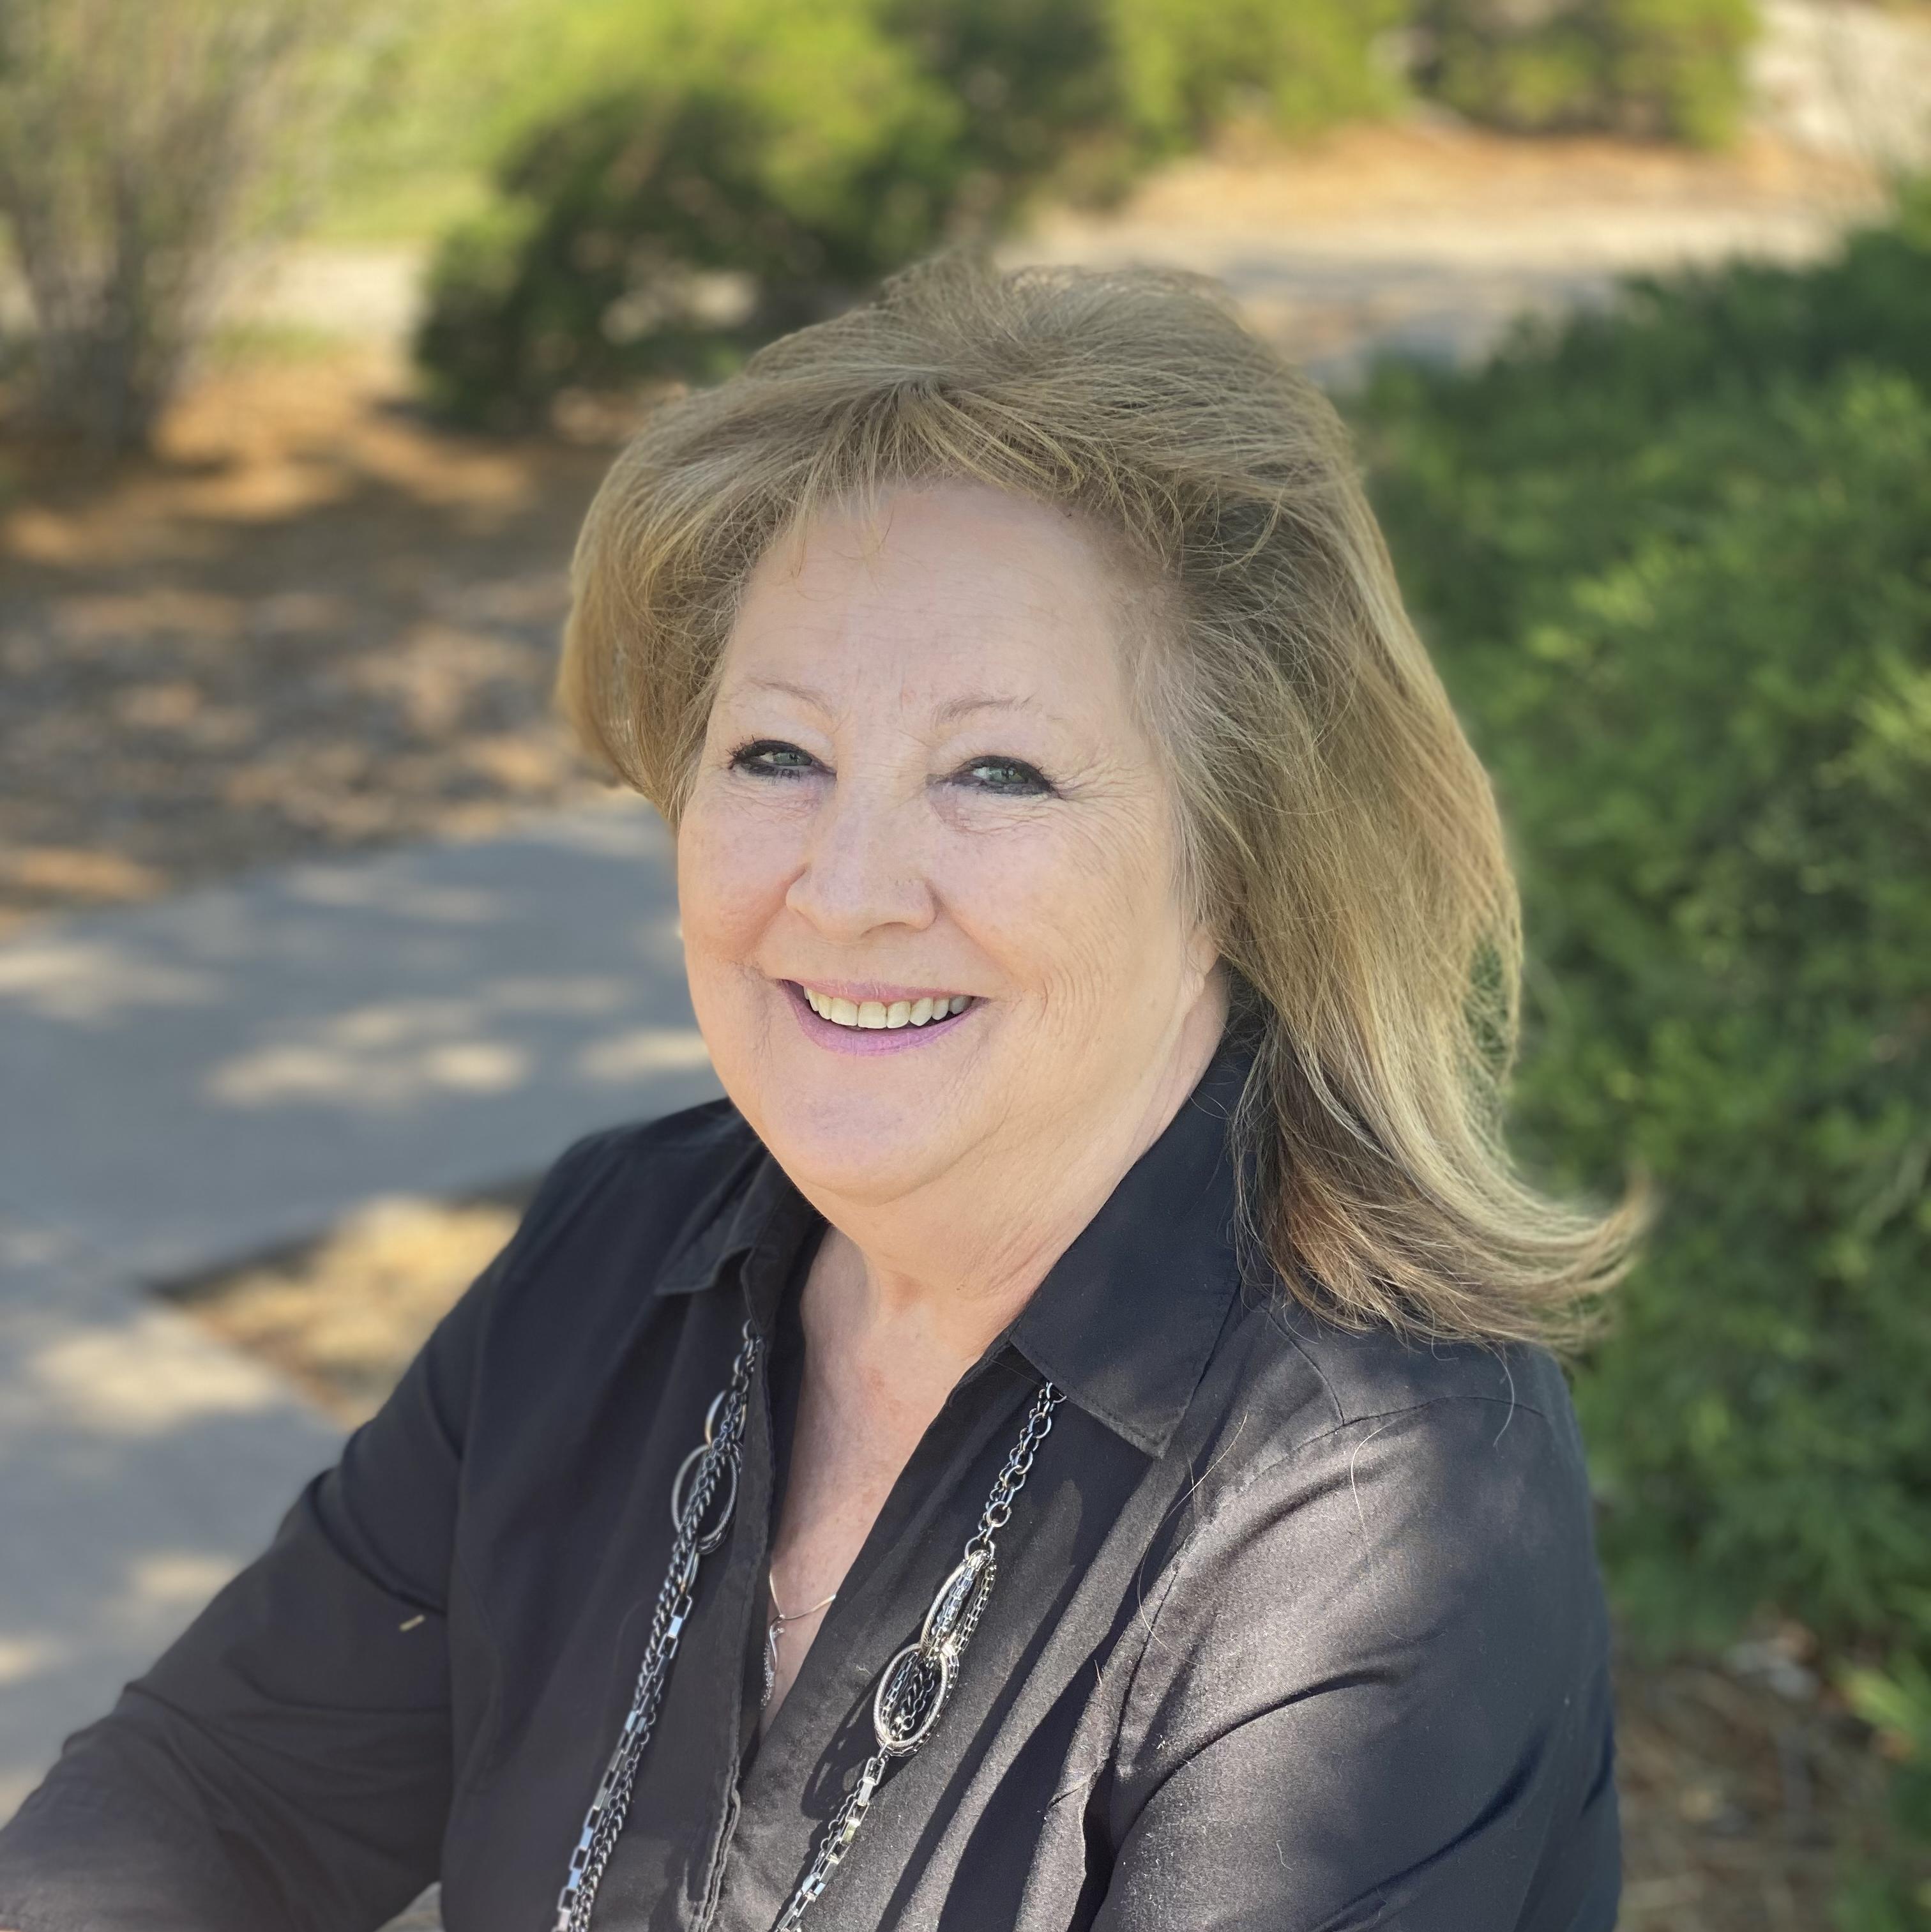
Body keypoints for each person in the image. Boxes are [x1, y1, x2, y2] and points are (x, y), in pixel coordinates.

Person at [0, 254, 1649, 1932]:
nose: (848, 887)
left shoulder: (1370, 1499)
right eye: (776, 754)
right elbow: (216, 1795)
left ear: (1237, 860)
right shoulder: (620, 1246)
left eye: (996, 771)